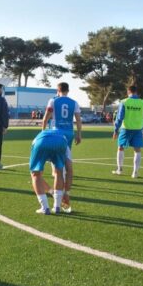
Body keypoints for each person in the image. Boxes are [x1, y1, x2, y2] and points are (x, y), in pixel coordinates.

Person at [42, 82, 81, 211]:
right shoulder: (74, 102)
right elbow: (78, 120)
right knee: (65, 160)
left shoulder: (53, 101)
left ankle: (57, 190)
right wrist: (79, 134)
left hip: (56, 133)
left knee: (56, 163)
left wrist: (43, 131)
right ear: (68, 90)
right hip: (69, 133)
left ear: (57, 90)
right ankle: (65, 192)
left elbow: (46, 117)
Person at [112, 85, 143, 178]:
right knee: (137, 150)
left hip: (126, 129)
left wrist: (116, 130)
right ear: (137, 92)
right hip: (138, 129)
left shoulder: (124, 102)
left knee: (120, 147)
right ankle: (135, 172)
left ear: (128, 92)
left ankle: (119, 169)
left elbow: (119, 117)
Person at [29, 129, 69, 215]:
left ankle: (45, 208)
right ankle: (57, 206)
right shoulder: (65, 143)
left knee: (35, 174)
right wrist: (66, 193)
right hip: (60, 143)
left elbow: (36, 176)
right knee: (59, 171)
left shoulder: (36, 140)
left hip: (41, 142)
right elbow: (70, 170)